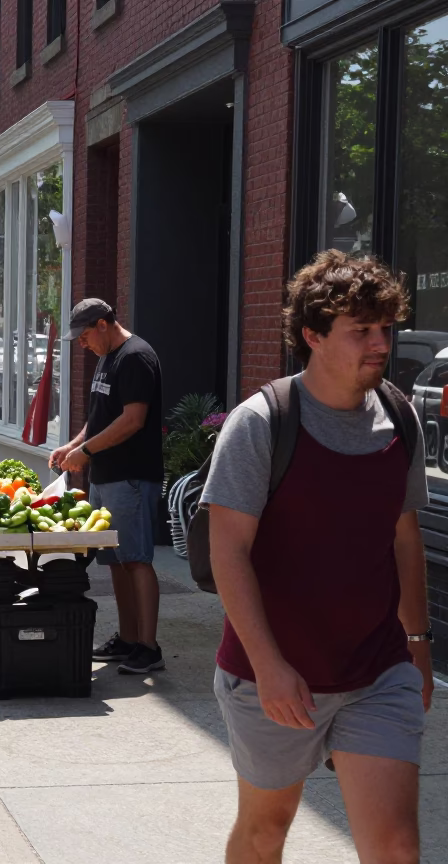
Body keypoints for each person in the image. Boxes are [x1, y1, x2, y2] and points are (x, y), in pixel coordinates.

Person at [202, 251, 432, 863]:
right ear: (312, 336)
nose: (379, 343)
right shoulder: (263, 423)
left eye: (385, 327)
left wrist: (418, 641)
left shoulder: (401, 420)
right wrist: (269, 664)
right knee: (266, 830)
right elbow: (229, 552)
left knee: (396, 848)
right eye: (361, 330)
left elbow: (403, 535)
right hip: (275, 678)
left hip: (377, 671)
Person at [50, 298, 165, 675]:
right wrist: (73, 445)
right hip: (106, 474)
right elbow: (99, 417)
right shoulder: (108, 357)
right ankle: (128, 638)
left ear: (103, 323)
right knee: (116, 561)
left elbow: (133, 420)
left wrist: (84, 450)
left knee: (136, 559)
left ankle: (148, 647)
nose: (82, 345)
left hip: (130, 475)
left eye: (84, 336)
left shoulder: (136, 357)